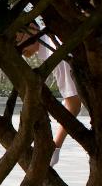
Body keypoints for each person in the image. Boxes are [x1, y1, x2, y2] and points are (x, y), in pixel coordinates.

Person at [16, 22, 82, 166]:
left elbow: (74, 104)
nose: (17, 48)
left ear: (33, 28)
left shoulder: (55, 51)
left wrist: (55, 147)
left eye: (17, 39)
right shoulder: (55, 38)